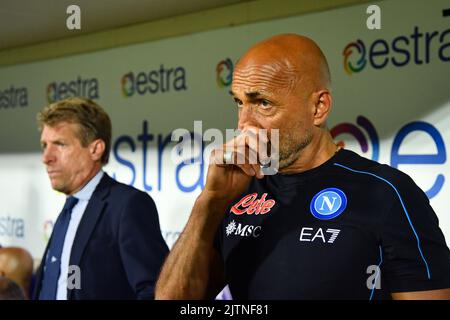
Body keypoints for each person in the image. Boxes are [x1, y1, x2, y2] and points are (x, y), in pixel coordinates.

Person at [155, 34, 450, 300]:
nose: (244, 123)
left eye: (263, 104)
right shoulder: (236, 191)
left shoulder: (386, 193)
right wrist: (209, 203)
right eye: (239, 103)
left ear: (319, 107)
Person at [33, 97, 169, 300]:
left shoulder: (127, 206)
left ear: (95, 149)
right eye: (45, 145)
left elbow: (155, 292)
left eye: (60, 144)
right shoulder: (70, 206)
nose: (47, 157)